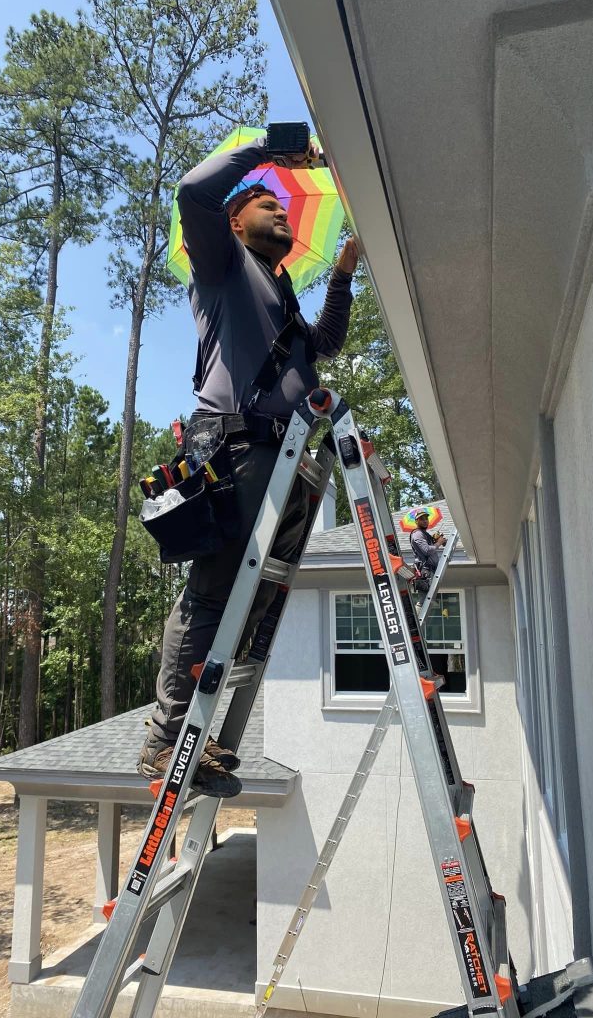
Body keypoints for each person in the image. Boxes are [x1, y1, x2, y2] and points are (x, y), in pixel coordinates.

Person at [137, 134, 359, 796]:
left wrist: (343, 273)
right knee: (212, 592)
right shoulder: (223, 265)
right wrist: (271, 151)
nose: (280, 210)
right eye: (265, 202)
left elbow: (325, 343)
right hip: (232, 447)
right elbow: (193, 192)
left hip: (281, 454)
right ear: (235, 222)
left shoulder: (281, 290)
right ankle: (166, 740)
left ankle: (198, 739)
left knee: (252, 598)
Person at [410, 509, 446, 595]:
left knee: (429, 598)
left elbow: (430, 546)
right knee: (423, 600)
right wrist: (438, 543)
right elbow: (426, 550)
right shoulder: (417, 534)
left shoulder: (424, 534)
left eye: (426, 518)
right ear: (416, 521)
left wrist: (435, 539)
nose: (425, 521)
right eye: (421, 519)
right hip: (425, 571)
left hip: (430, 570)